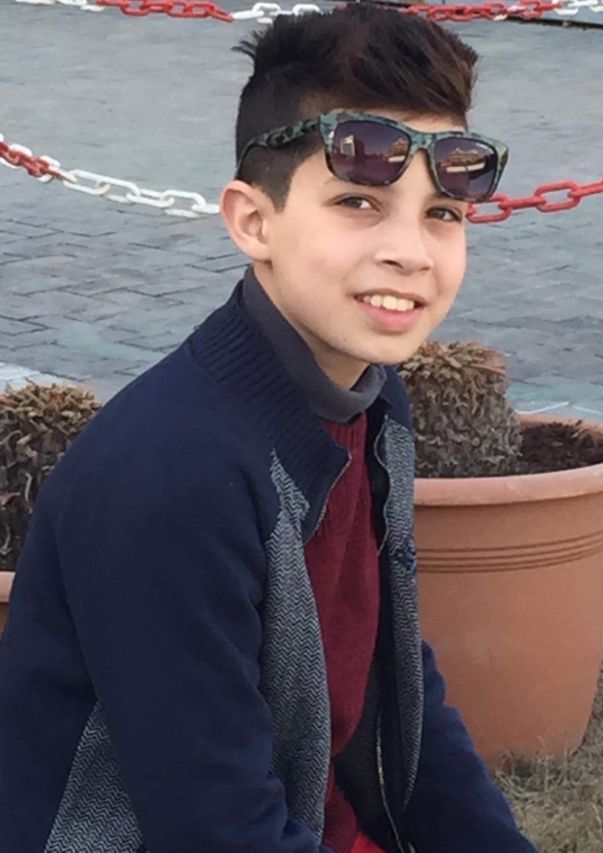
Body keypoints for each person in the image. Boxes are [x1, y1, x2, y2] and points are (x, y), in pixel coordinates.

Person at [0, 6, 537, 852]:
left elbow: (399, 688)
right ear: (253, 221)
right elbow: (214, 825)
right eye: (358, 201)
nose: (411, 252)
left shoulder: (373, 401)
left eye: (442, 213)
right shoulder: (172, 475)